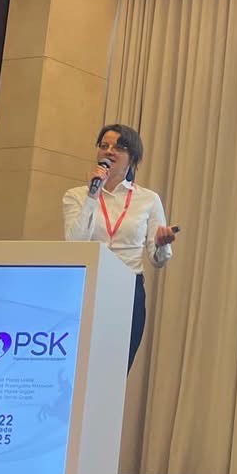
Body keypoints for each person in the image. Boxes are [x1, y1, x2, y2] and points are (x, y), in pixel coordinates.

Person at [63, 124, 176, 371]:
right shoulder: (77, 196)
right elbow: (74, 244)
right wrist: (92, 196)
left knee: (116, 368)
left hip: (128, 289)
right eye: (104, 146)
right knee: (78, 365)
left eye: (119, 147)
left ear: (132, 157)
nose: (109, 151)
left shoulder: (148, 199)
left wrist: (161, 245)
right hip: (86, 286)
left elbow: (157, 260)